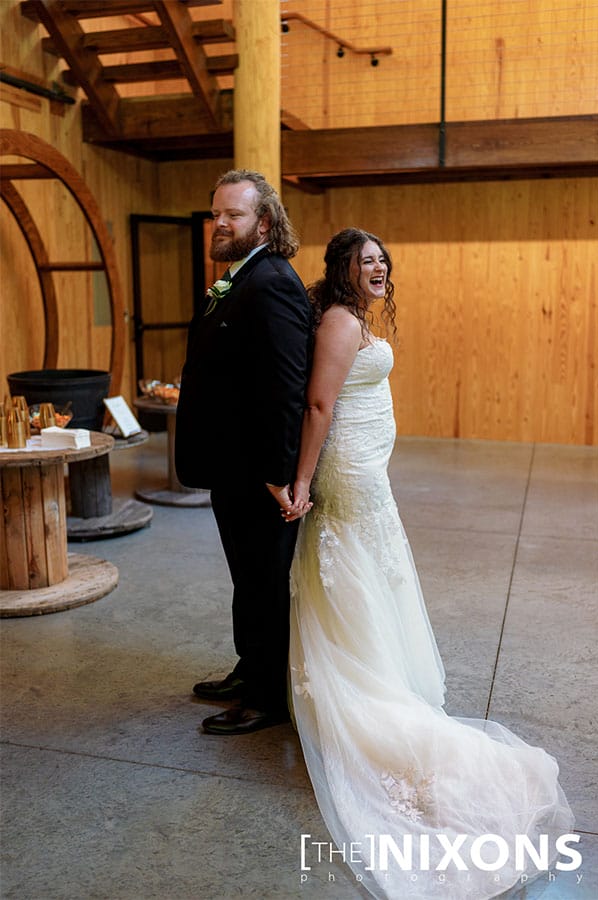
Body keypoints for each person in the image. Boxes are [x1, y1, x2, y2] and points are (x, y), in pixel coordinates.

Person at [285, 228, 575, 898]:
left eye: (383, 259)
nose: (379, 266)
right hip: (348, 474)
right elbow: (320, 404)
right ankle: (367, 682)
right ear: (341, 270)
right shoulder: (336, 321)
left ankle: (379, 661)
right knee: (351, 569)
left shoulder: (355, 319)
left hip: (369, 470)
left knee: (376, 571)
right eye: (366, 260)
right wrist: (302, 483)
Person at [175, 169, 311, 735]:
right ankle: (248, 667)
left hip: (260, 472)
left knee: (263, 580)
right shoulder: (237, 278)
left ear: (264, 223)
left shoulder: (272, 280)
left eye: (234, 214)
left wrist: (280, 473)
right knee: (246, 576)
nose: (221, 223)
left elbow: (286, 385)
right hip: (233, 467)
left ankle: (267, 697)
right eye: (216, 213)